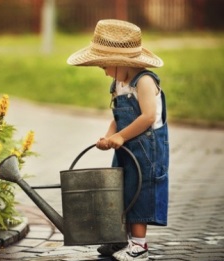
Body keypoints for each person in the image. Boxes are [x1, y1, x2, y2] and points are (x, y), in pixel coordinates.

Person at [67, 19, 169, 261]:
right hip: (126, 146)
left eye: (104, 65)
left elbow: (148, 117)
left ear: (122, 62)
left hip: (147, 148)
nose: (103, 71)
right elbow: (117, 118)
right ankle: (119, 239)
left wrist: (121, 136)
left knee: (140, 191)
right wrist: (110, 136)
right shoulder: (119, 83)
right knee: (119, 190)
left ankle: (140, 246)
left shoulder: (144, 81)